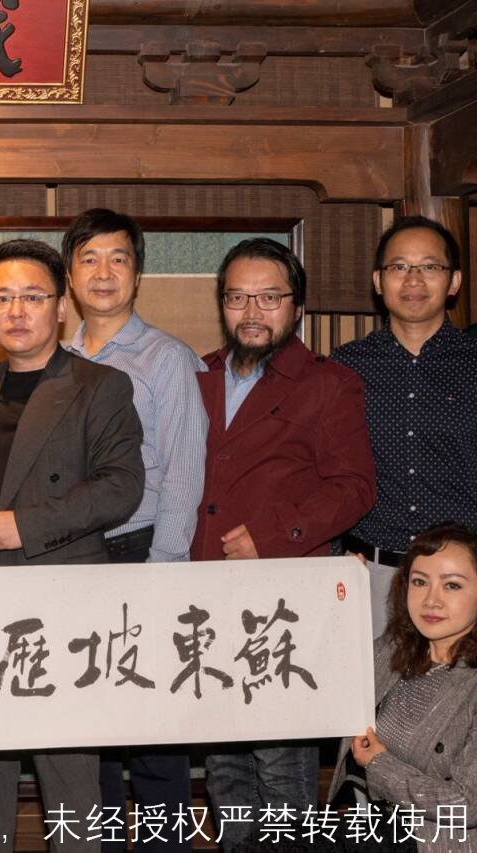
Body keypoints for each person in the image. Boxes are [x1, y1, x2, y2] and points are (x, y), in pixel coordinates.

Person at [0, 238, 145, 853]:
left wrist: (28, 525)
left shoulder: (100, 386)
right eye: (1, 298)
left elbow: (122, 487)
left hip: (61, 603)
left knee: (70, 782)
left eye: (33, 297)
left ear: (61, 307)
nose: (16, 311)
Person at [194, 238, 377, 852]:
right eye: (237, 297)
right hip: (204, 600)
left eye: (269, 298)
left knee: (281, 770)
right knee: (224, 768)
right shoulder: (199, 374)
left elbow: (355, 487)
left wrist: (274, 537)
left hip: (281, 604)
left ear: (297, 306)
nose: (252, 312)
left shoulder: (328, 383)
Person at [61, 209, 205, 849]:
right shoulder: (57, 359)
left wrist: (163, 571)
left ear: (137, 274)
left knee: (153, 738)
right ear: (69, 276)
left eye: (118, 258)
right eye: (89, 258)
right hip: (75, 561)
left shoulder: (167, 357)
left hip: (144, 552)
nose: (103, 272)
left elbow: (186, 470)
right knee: (88, 734)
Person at [332, 216, 476, 638]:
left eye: (429, 266)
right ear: (379, 281)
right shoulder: (345, 367)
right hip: (370, 574)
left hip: (462, 577)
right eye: (399, 267)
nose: (413, 279)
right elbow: (323, 469)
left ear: (454, 281)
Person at [330, 521, 477, 853]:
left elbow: (465, 806)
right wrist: (338, 596)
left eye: (452, 585)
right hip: (374, 826)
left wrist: (379, 763)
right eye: (420, 582)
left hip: (436, 842)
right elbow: (325, 673)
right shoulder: (393, 649)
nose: (431, 600)